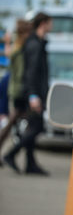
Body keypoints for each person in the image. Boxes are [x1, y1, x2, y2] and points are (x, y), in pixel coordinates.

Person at [3, 13, 52, 175]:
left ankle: (30, 164)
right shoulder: (35, 45)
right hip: (32, 95)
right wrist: (33, 96)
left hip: (32, 93)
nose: (52, 26)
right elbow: (31, 73)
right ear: (43, 23)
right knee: (37, 127)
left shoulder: (36, 43)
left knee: (31, 126)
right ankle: (11, 154)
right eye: (50, 23)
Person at [0, 20, 32, 159]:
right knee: (18, 120)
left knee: (14, 120)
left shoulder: (16, 46)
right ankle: (15, 153)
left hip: (12, 86)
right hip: (18, 88)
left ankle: (24, 154)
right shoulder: (21, 49)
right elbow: (20, 73)